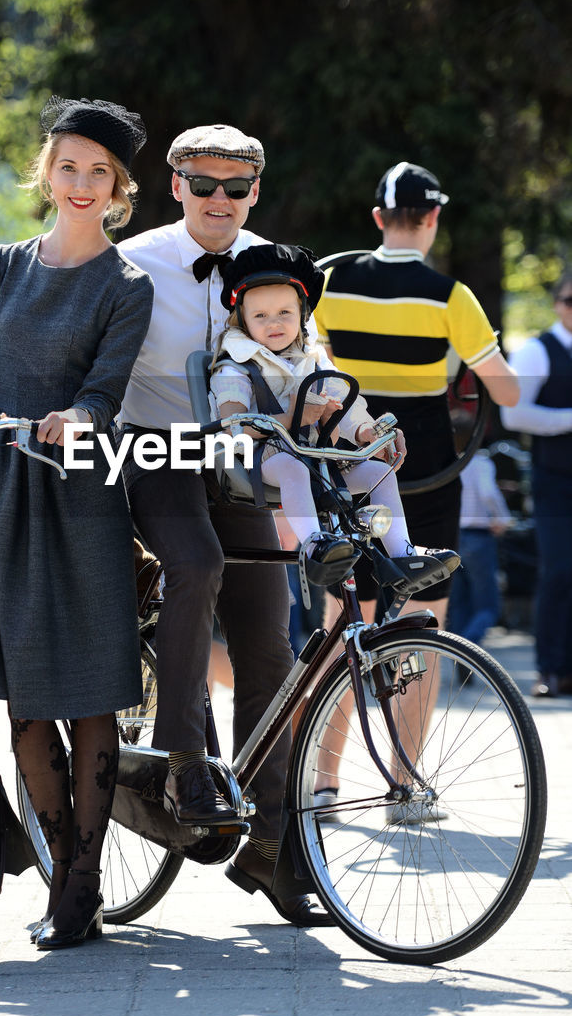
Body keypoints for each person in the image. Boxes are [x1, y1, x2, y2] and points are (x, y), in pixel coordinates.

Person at [0, 97, 154, 950]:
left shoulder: (125, 284)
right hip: (2, 494)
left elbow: (104, 391)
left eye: (97, 172)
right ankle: (60, 863)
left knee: (93, 689)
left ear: (118, 186)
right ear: (46, 171)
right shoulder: (3, 266)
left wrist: (80, 418)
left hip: (83, 495)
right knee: (28, 700)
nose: (79, 184)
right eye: (68, 166)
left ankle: (85, 887)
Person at [117, 124, 331, 926]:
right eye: (201, 184)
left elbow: (312, 364)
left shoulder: (279, 266)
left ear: (255, 191)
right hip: (158, 459)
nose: (218, 200)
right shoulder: (132, 262)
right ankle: (183, 759)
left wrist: (357, 427)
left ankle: (274, 851)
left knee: (270, 649)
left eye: (234, 187)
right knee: (196, 567)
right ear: (174, 185)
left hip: (252, 475)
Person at [312, 162, 519, 822]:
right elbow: (506, 391)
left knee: (342, 621)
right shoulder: (448, 296)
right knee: (423, 625)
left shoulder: (330, 283)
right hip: (425, 471)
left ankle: (324, 785)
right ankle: (404, 786)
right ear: (432, 219)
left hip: (348, 466)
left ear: (378, 218)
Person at [211, 242, 456, 590]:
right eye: (260, 316)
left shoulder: (313, 358)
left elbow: (346, 405)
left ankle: (402, 552)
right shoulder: (235, 364)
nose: (274, 323)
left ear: (303, 314)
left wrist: (365, 434)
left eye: (285, 313)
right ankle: (316, 546)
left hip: (320, 458)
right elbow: (233, 427)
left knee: (379, 472)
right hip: (262, 458)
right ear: (242, 319)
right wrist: (294, 415)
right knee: (293, 467)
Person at [501, 270, 572, 697]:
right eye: (569, 300)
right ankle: (551, 669)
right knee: (559, 572)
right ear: (556, 303)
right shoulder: (536, 351)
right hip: (556, 481)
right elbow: (514, 415)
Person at [446, 413, 511, 649]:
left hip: (452, 536)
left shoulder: (447, 465)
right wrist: (502, 518)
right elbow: (488, 493)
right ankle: (471, 644)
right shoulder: (481, 463)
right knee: (487, 605)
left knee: (458, 603)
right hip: (478, 537)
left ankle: (458, 650)